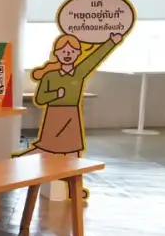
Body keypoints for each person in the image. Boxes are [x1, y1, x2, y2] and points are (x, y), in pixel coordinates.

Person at [18, 32, 123, 199]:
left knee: (73, 155)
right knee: (46, 151)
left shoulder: (79, 73)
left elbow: (95, 58)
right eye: (64, 51)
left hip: (72, 116)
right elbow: (40, 98)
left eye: (72, 51)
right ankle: (16, 166)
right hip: (53, 116)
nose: (67, 54)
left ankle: (74, 189)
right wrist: (56, 94)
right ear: (57, 53)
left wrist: (111, 41)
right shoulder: (50, 76)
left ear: (78, 54)